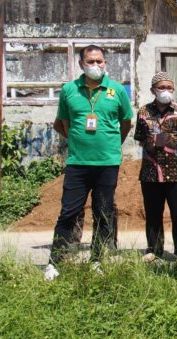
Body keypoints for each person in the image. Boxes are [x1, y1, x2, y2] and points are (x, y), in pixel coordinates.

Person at [44, 44, 133, 281]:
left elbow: (126, 123)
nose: (96, 65)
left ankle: (96, 260)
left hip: (107, 163)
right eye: (91, 62)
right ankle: (54, 262)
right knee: (69, 212)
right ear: (81, 64)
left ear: (106, 63)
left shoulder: (117, 90)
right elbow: (61, 122)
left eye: (100, 61)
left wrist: (112, 144)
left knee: (103, 213)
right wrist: (77, 140)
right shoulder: (69, 90)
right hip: (78, 163)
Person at [134, 72, 177, 261]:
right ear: (153, 90)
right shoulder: (143, 112)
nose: (166, 91)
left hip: (176, 171)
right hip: (151, 172)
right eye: (161, 87)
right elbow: (139, 138)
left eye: (169, 87)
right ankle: (154, 249)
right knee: (153, 212)